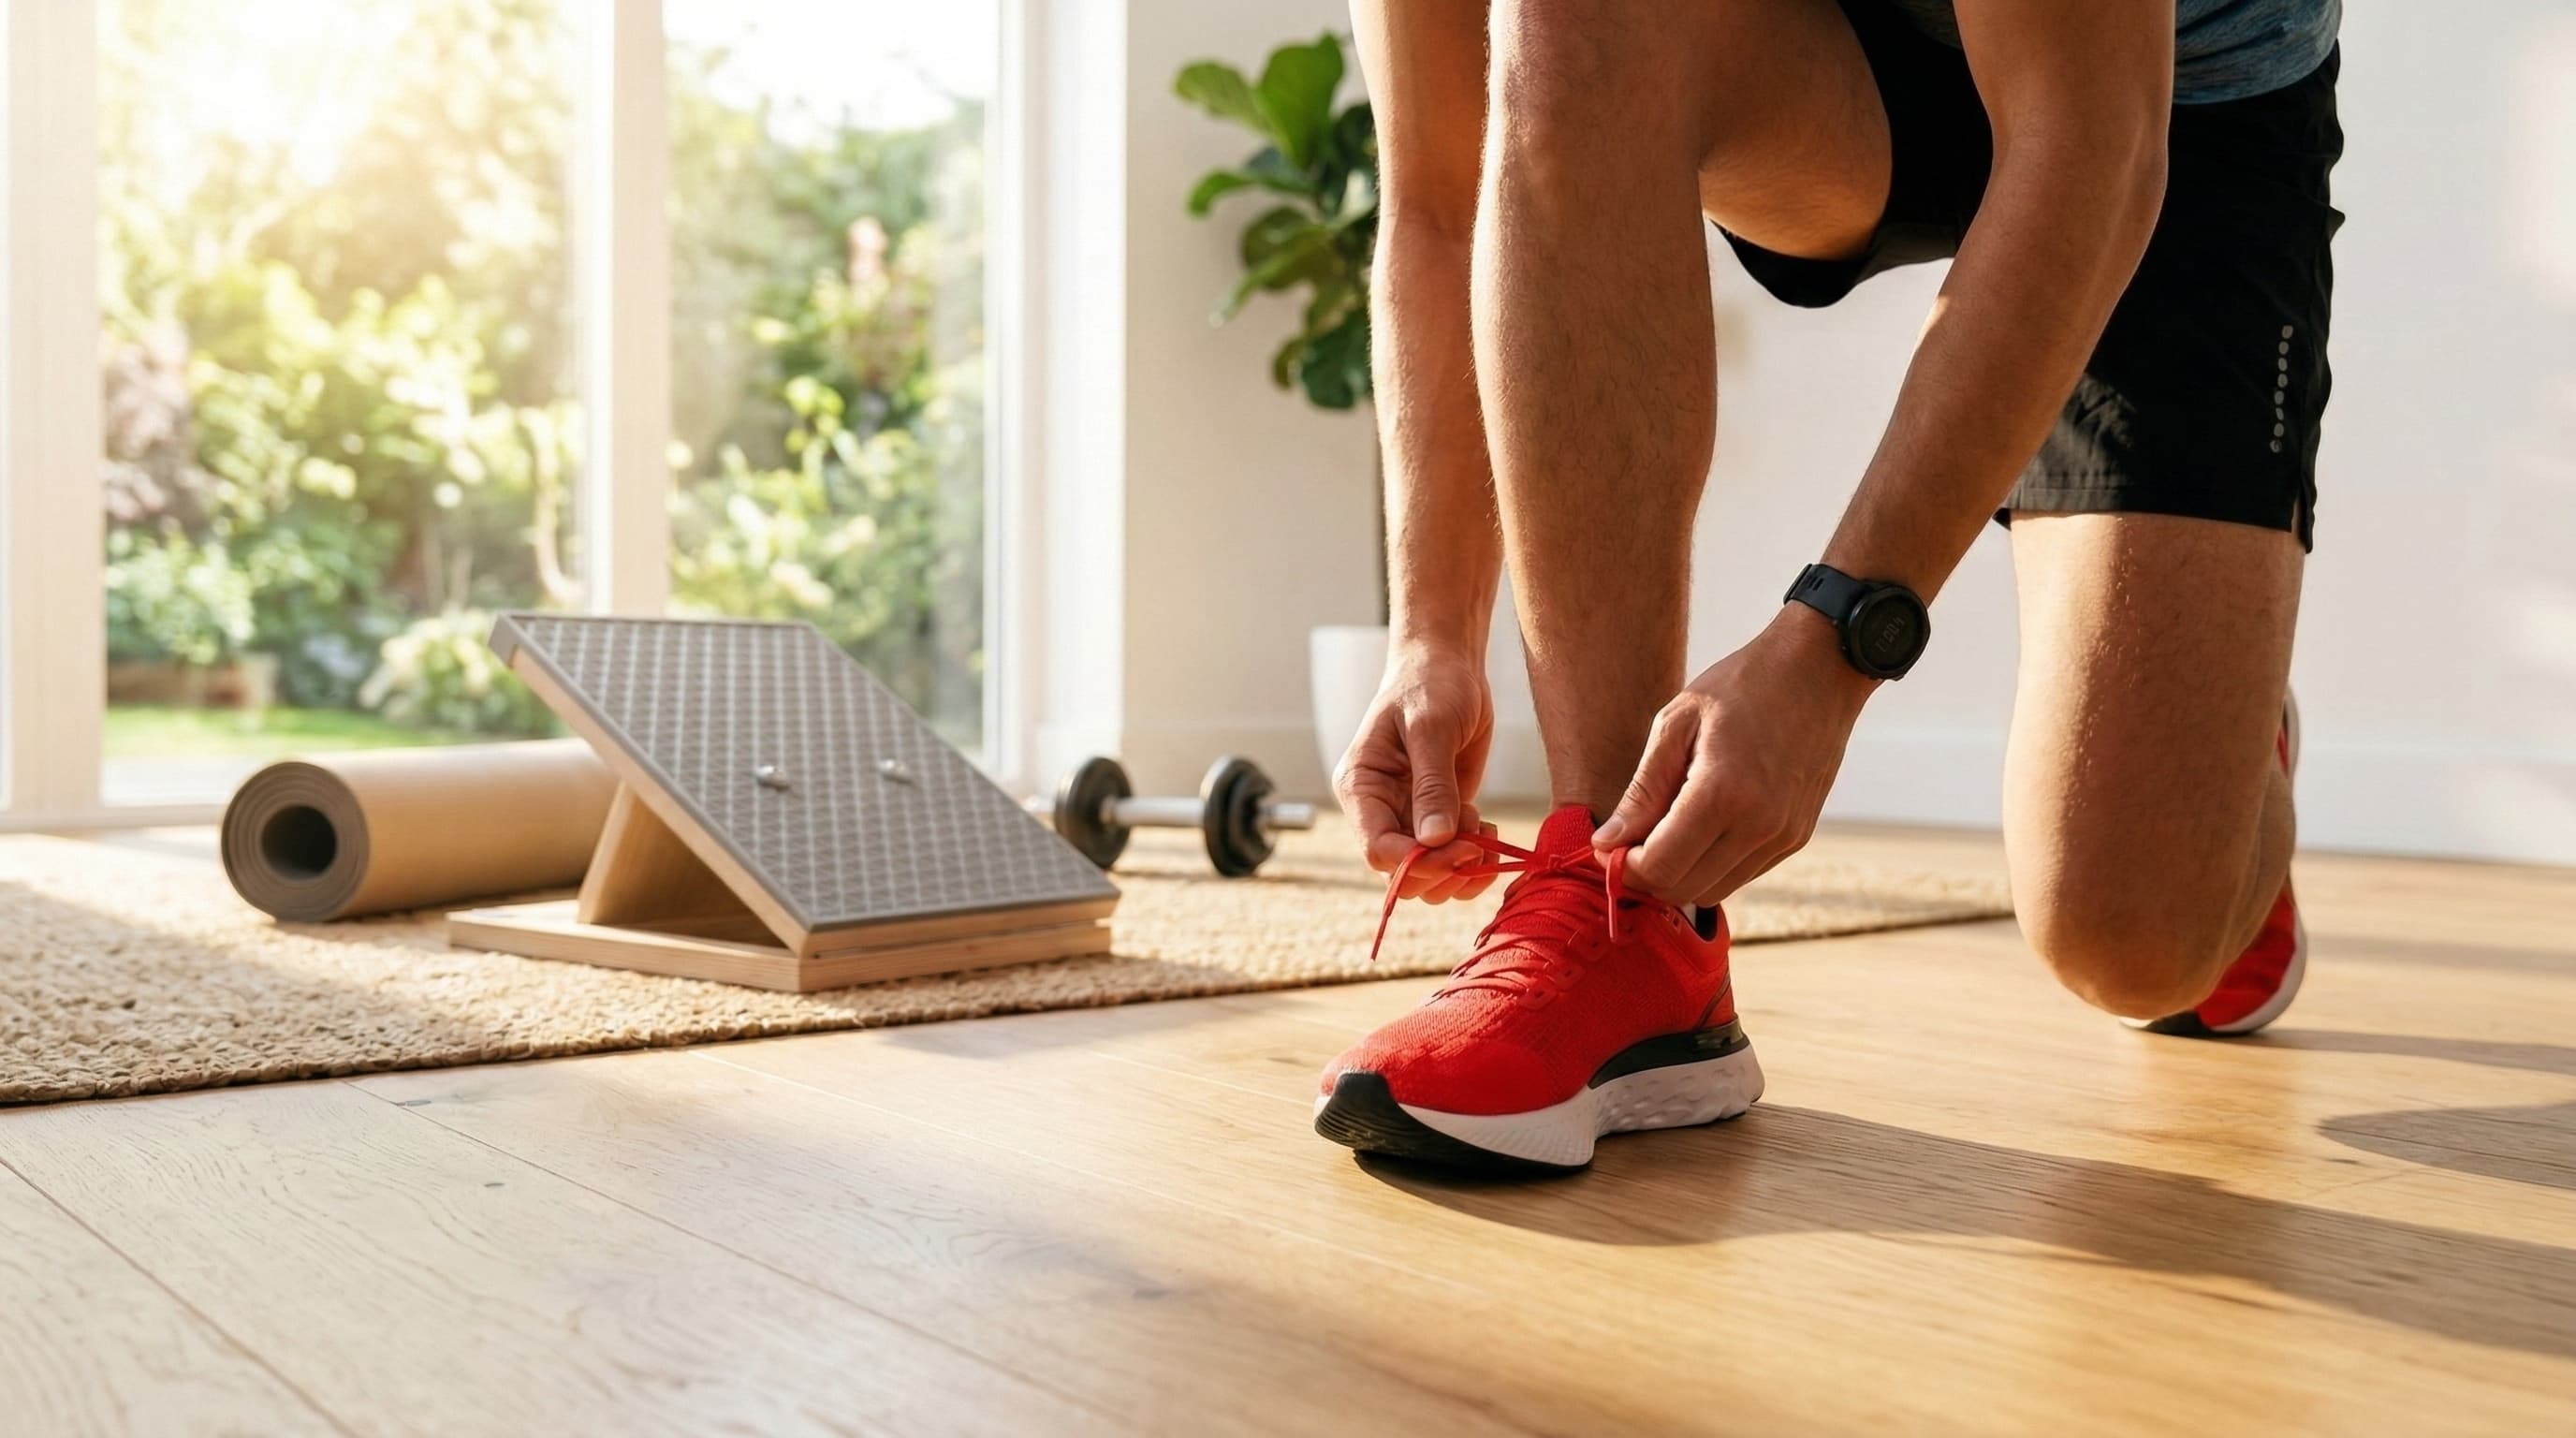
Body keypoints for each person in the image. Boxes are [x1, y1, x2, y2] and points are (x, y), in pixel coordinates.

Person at [1312, 0, 2343, 1171]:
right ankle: (1623, 912)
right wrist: (1432, 630)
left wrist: (1834, 644)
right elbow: (1443, 193)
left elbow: (2085, 150)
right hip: (1835, 60)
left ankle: (2230, 738)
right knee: (1568, 16)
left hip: (2163, 101)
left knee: (2135, 944)